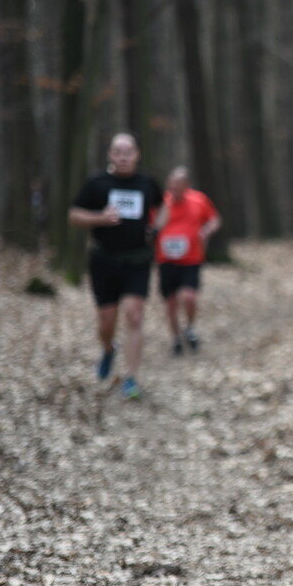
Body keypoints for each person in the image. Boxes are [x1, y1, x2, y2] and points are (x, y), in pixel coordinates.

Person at [68, 133, 164, 400]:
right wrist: (100, 218)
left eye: (128, 151)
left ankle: (131, 378)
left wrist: (156, 228)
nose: (123, 156)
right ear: (110, 155)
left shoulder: (147, 182)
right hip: (104, 260)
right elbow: (74, 215)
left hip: (138, 260)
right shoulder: (97, 183)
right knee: (106, 322)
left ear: (137, 154)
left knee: (134, 314)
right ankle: (109, 349)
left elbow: (163, 206)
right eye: (118, 152)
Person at [155, 166, 221, 355]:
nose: (175, 189)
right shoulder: (161, 203)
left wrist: (207, 230)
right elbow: (151, 225)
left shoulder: (199, 200)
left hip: (191, 258)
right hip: (166, 259)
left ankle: (190, 328)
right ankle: (175, 338)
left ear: (187, 185)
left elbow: (215, 219)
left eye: (179, 185)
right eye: (172, 185)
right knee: (171, 302)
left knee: (189, 296)